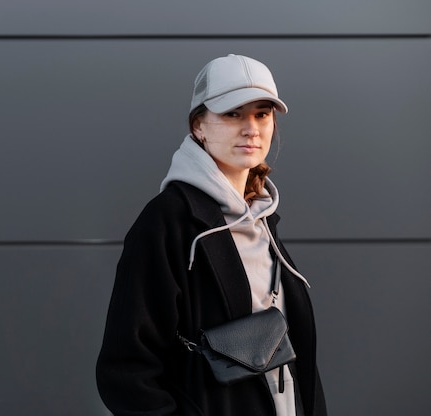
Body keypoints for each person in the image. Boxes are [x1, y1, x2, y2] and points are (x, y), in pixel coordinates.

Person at [96, 54, 327, 415]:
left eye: (261, 113)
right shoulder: (168, 222)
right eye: (233, 113)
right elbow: (126, 371)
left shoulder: (262, 218)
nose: (251, 128)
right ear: (199, 126)